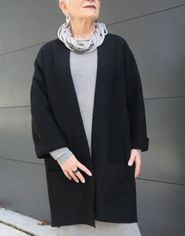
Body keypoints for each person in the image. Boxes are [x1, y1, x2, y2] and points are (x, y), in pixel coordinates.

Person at [30, 0, 149, 235]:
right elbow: (39, 108)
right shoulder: (49, 54)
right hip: (71, 166)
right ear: (64, 6)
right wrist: (61, 155)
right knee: (76, 227)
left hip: (113, 158)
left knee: (122, 226)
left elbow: (134, 97)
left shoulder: (117, 47)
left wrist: (137, 144)